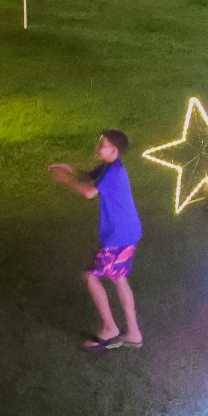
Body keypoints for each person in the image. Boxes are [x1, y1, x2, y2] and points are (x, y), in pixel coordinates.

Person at [51, 129, 144, 351]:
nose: (98, 147)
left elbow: (88, 192)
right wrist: (71, 170)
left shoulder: (114, 171)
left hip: (119, 235)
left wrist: (65, 179)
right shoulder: (109, 167)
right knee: (119, 278)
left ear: (114, 150)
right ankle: (133, 333)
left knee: (91, 276)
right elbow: (89, 177)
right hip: (127, 231)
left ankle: (110, 328)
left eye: (102, 145)